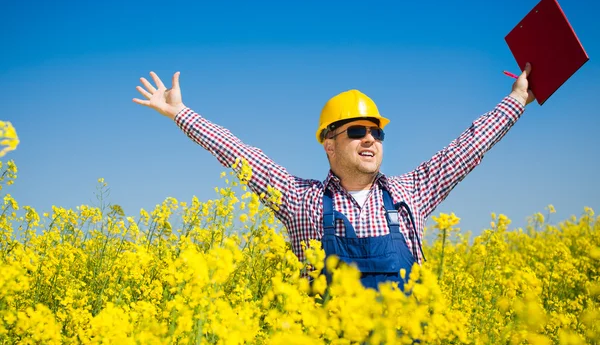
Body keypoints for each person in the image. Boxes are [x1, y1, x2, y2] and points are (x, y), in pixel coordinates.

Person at [133, 63, 534, 291]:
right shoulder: (299, 200)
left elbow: (469, 147)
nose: (369, 139)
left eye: (377, 132)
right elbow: (239, 153)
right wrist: (180, 113)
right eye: (356, 131)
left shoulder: (411, 192)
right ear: (329, 144)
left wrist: (517, 98)